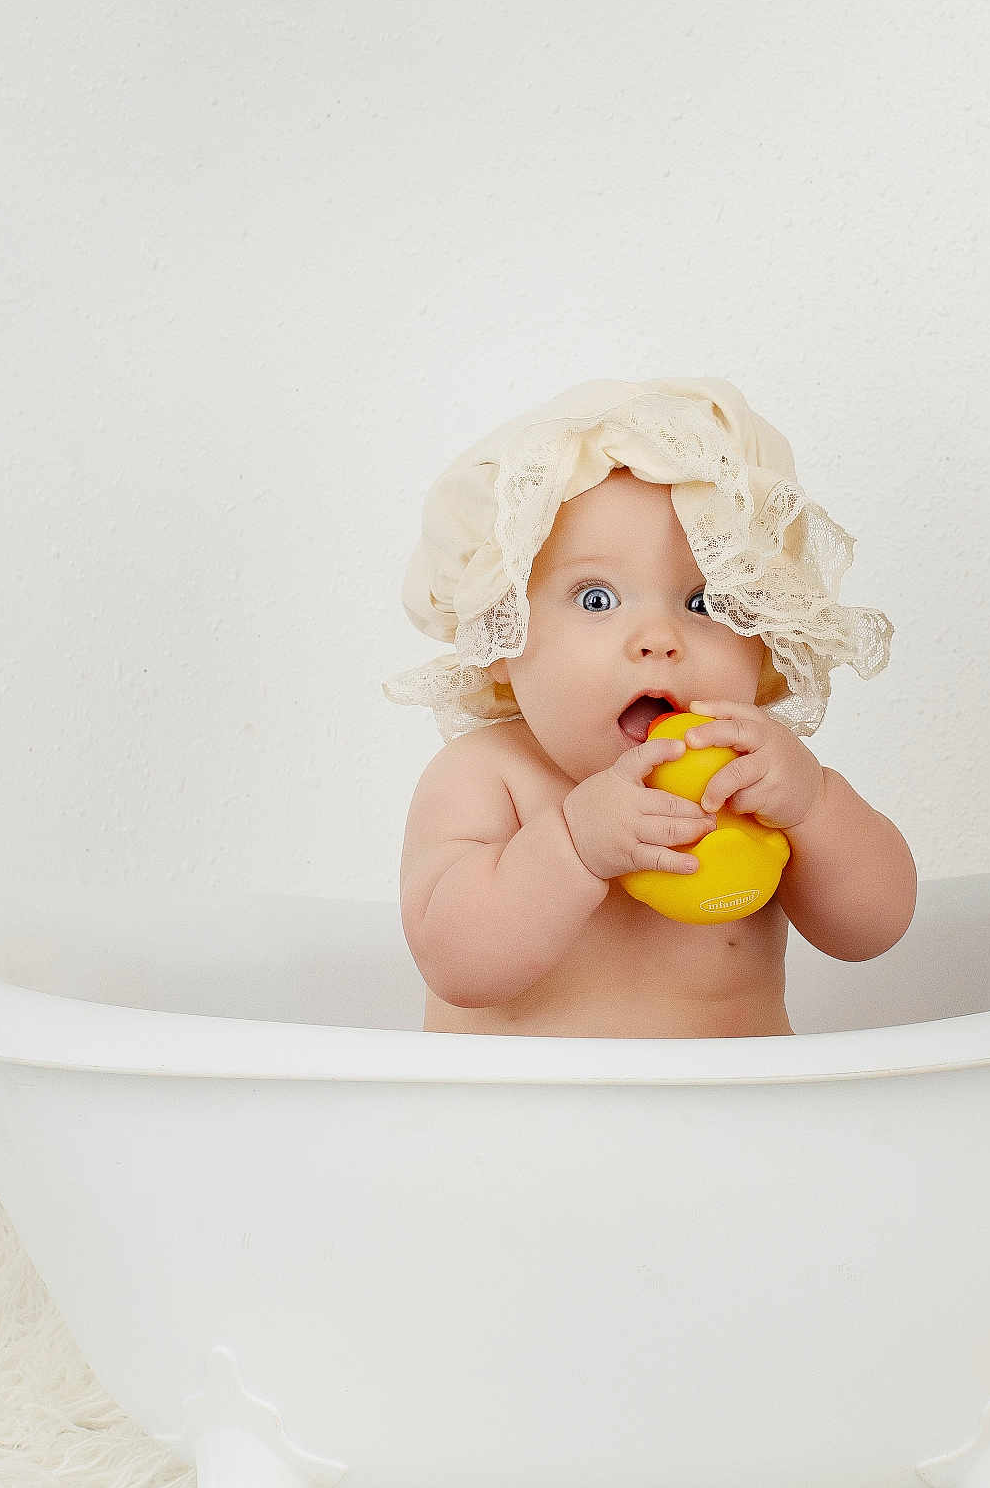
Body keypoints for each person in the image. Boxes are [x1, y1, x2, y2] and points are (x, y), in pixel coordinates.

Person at [386, 377, 915, 1038]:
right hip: (523, 1129)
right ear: (501, 634)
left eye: (703, 603)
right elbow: (457, 965)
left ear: (766, 633)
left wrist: (815, 807)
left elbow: (874, 930)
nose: (659, 640)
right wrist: (573, 847)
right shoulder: (485, 778)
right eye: (596, 599)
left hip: (735, 1125)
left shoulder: (752, 780)